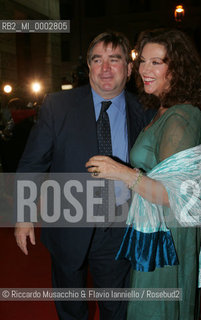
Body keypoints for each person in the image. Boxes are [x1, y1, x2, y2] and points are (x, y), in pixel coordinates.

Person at [14, 31, 154, 320]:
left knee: (116, 309)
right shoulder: (58, 106)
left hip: (119, 228)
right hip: (67, 225)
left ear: (128, 70)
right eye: (97, 60)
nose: (105, 68)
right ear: (88, 67)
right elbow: (32, 164)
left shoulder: (146, 112)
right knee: (71, 308)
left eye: (114, 60)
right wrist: (24, 215)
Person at [86, 28, 201, 320]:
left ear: (177, 68)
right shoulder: (163, 110)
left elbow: (175, 195)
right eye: (142, 61)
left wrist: (121, 172)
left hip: (168, 237)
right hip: (157, 231)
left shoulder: (180, 117)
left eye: (157, 62)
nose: (144, 69)